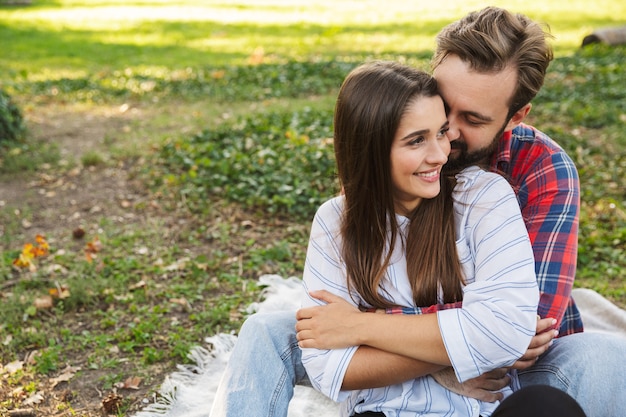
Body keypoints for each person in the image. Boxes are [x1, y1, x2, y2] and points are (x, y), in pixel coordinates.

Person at [210, 7, 626, 417]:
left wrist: (364, 327)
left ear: (515, 117)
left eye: (472, 119)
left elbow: (521, 331)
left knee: (604, 355)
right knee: (267, 332)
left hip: (512, 375)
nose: (448, 139)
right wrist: (458, 338)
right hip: (400, 364)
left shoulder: (538, 172)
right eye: (443, 108)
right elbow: (360, 290)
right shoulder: (387, 161)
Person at [296, 59, 552, 416]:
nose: (440, 155)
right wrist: (458, 348)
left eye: (442, 132)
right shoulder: (334, 221)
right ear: (369, 149)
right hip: (386, 410)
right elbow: (328, 369)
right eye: (417, 140)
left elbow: (506, 333)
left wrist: (360, 326)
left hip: (483, 409)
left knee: (547, 405)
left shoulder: (483, 197)